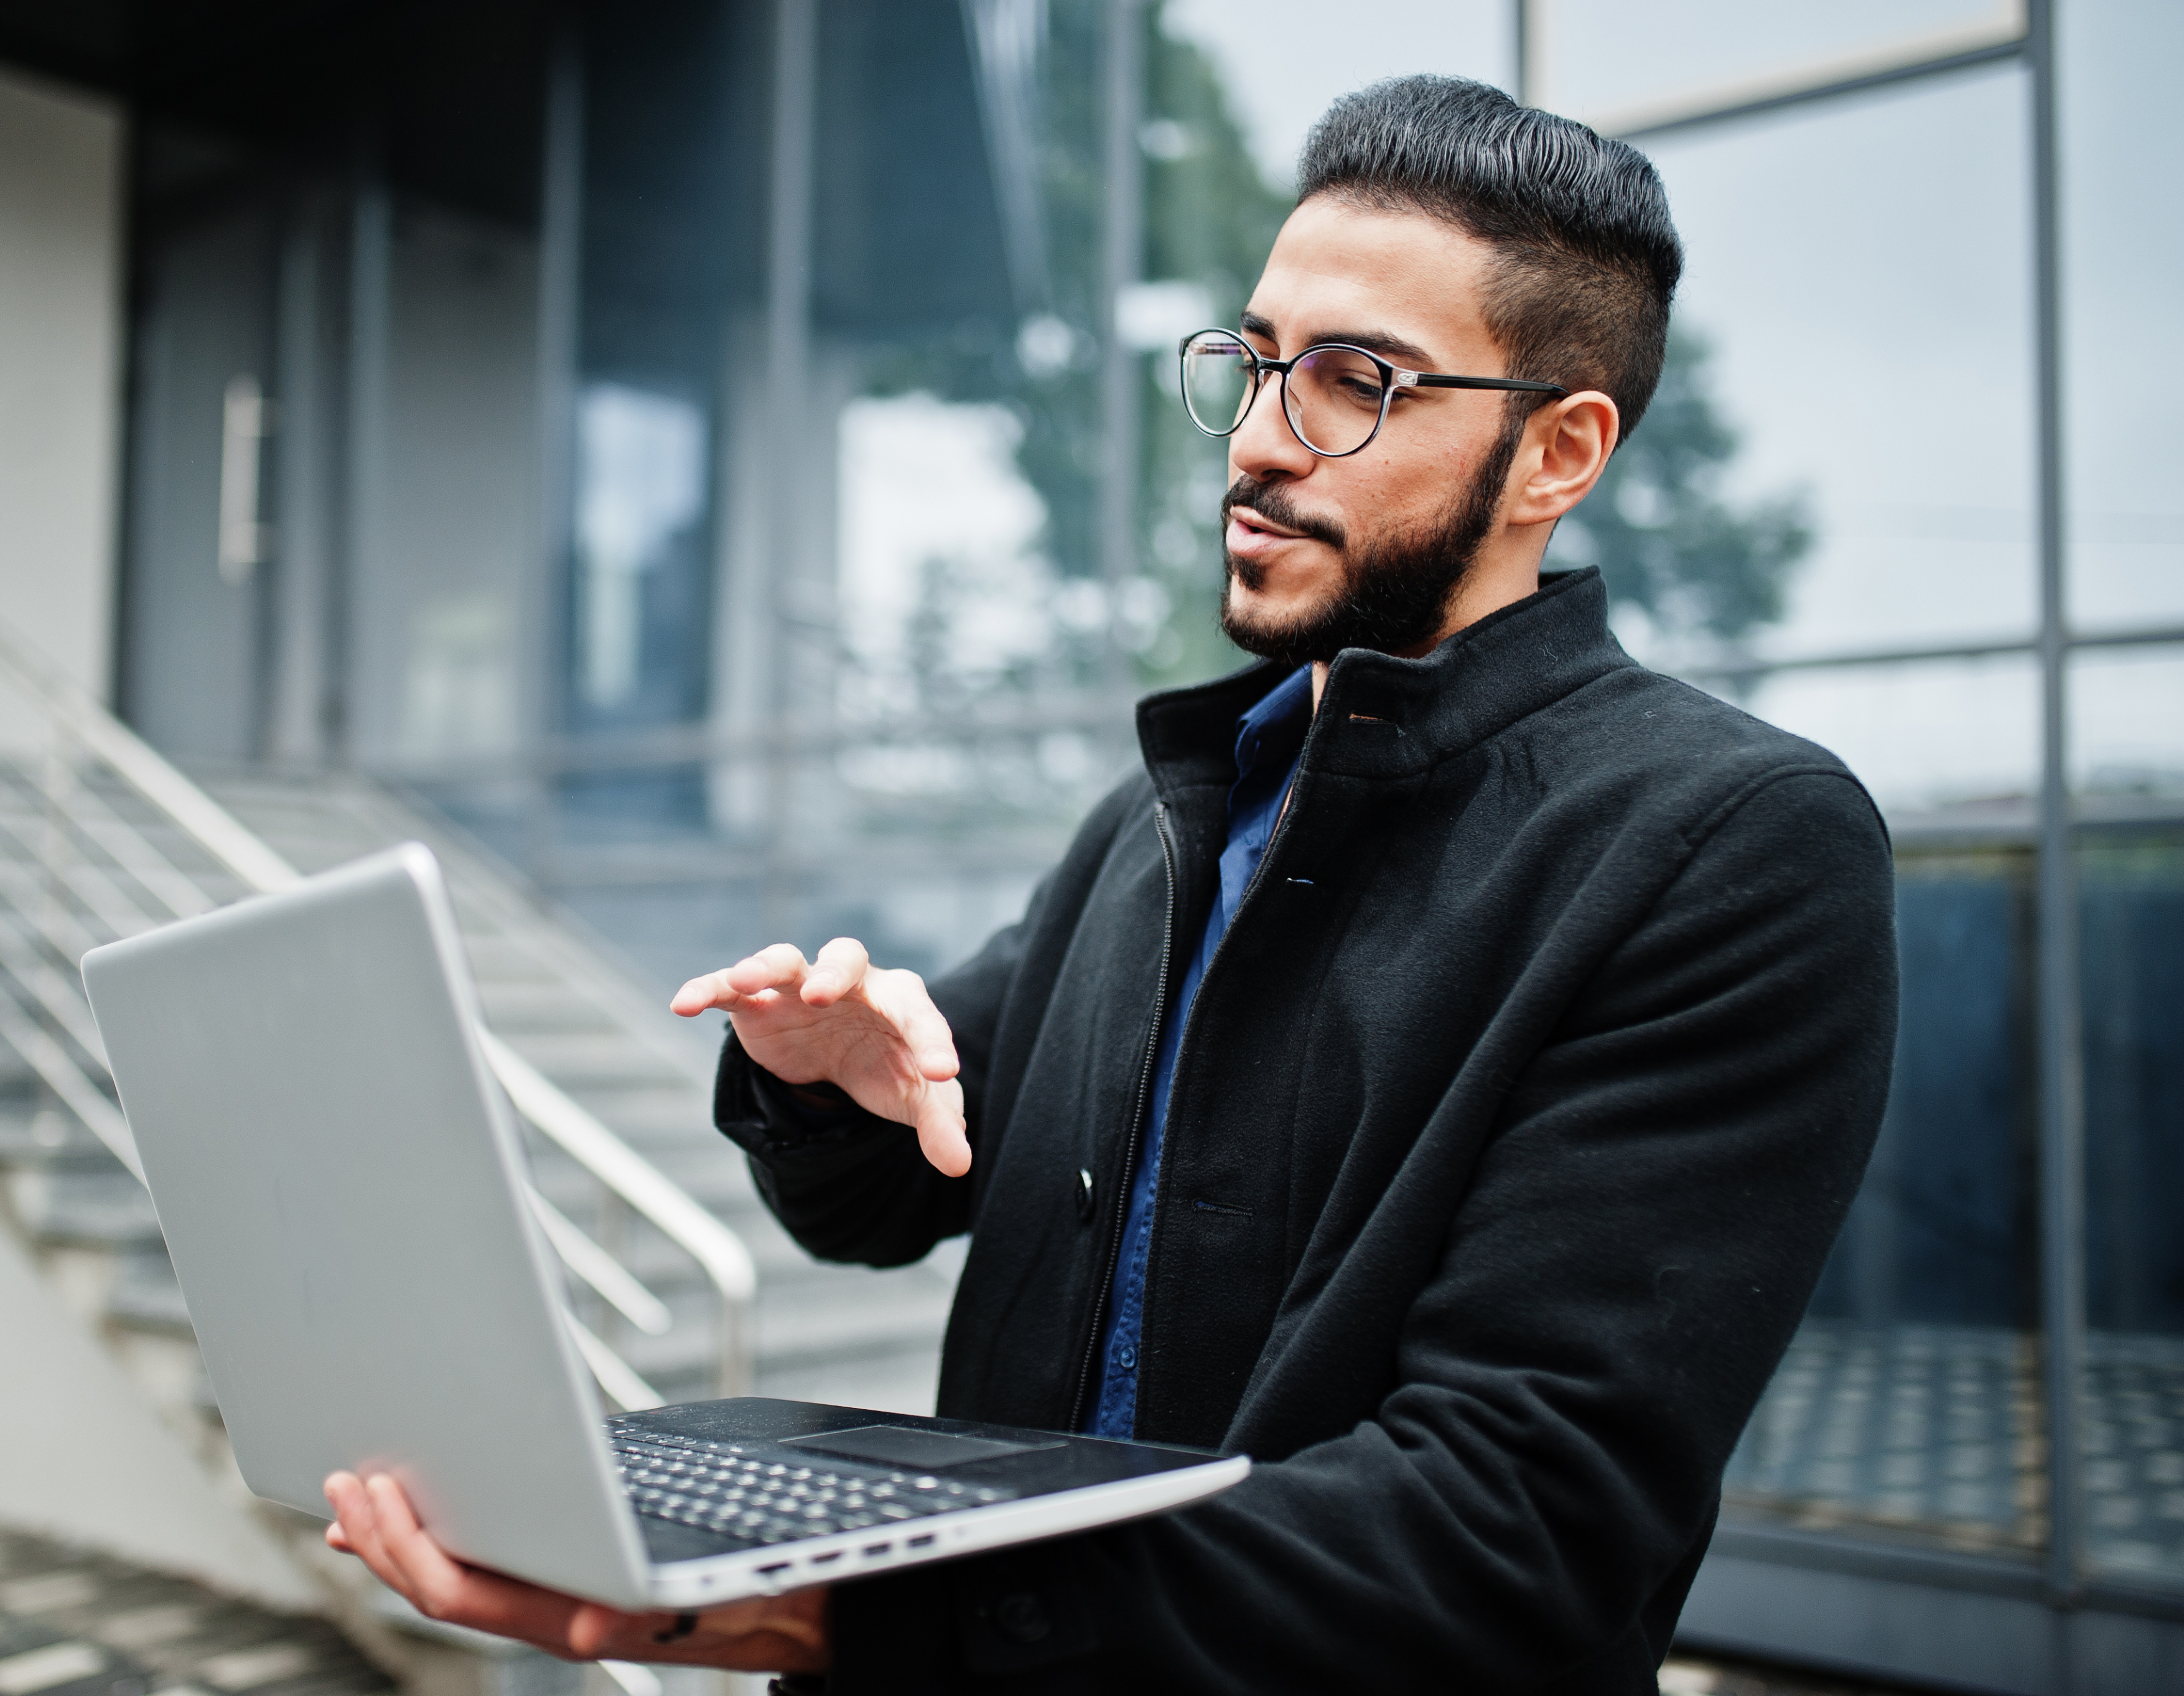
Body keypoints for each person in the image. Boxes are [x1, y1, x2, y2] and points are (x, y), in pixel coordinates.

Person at [322, 75, 1899, 1692]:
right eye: (1257, 362)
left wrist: (858, 1609)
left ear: (1557, 452)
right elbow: (883, 1201)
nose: (1264, 440)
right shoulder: (1173, 814)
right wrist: (822, 1078)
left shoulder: (1730, 845)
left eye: (1356, 383)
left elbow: (1517, 1538)